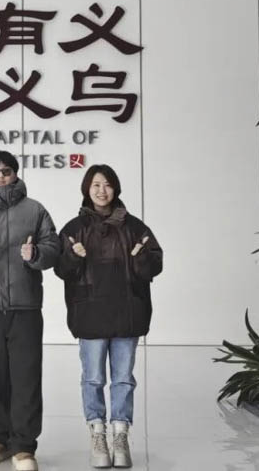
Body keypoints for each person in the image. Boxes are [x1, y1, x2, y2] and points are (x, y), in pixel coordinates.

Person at [54, 164, 162, 469]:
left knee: (123, 379)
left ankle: (120, 435)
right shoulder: (74, 228)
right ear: (87, 189)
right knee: (93, 378)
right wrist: (73, 256)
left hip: (128, 312)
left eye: (107, 185)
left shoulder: (135, 227)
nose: (102, 191)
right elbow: (61, 269)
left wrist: (141, 259)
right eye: (96, 185)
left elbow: (155, 264)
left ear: (116, 188)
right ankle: (98, 434)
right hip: (89, 312)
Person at [0, 151, 60, 471]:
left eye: (7, 170)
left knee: (26, 377)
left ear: (16, 173)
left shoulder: (35, 210)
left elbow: (54, 248)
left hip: (25, 307)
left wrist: (36, 254)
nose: (1, 175)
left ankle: (24, 446)